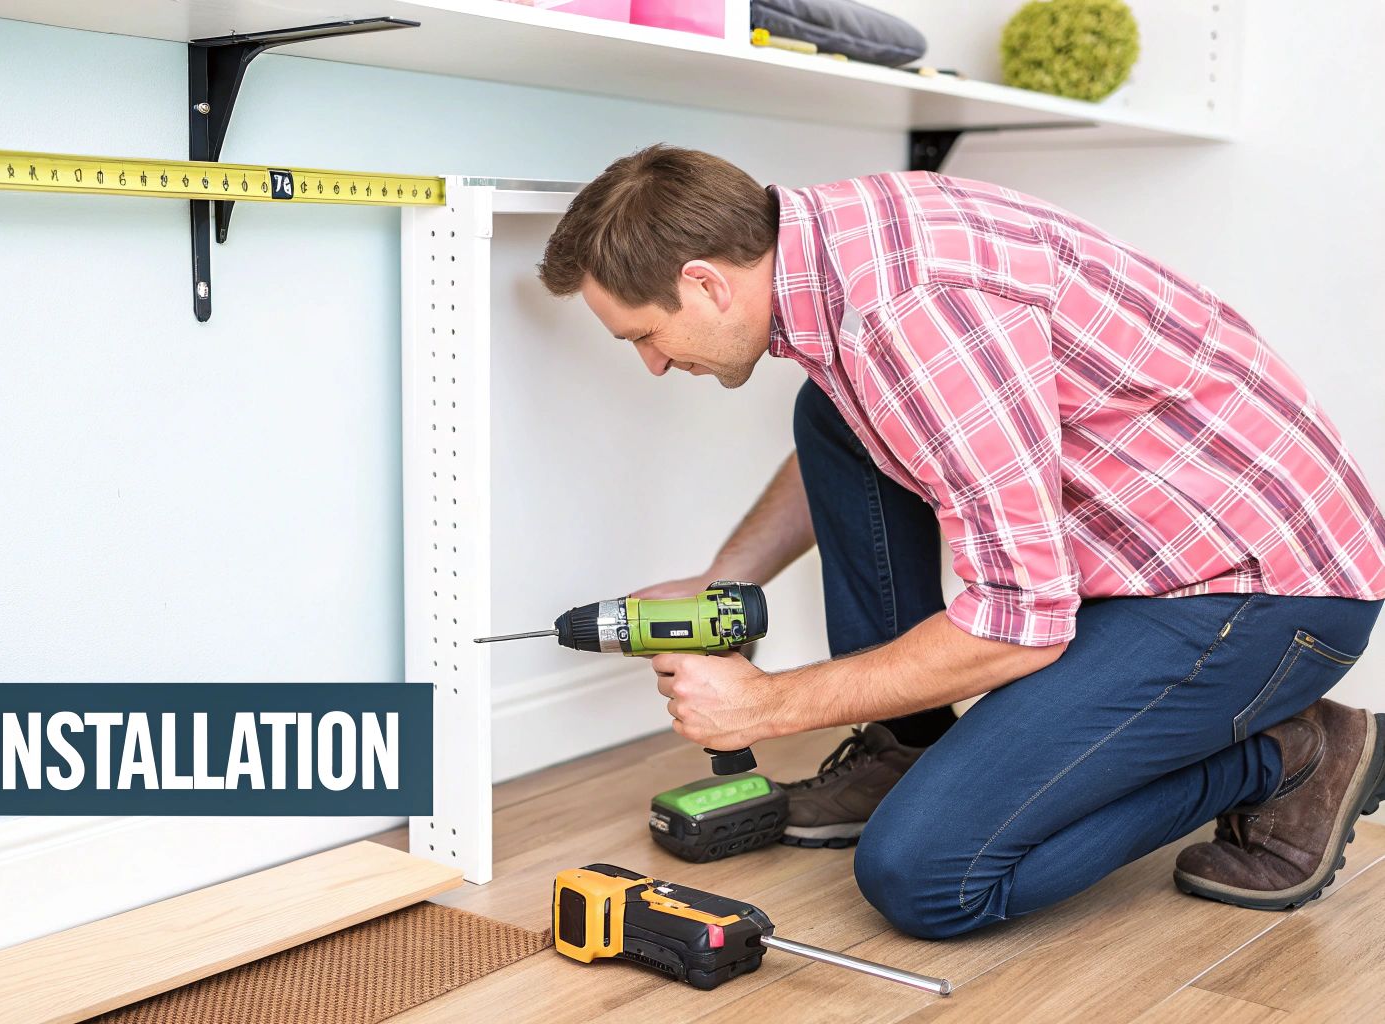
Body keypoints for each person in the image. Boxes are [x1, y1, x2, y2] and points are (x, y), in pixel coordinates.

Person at [534, 144, 1385, 938]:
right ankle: (906, 748)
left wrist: (767, 703)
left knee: (926, 874)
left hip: (1260, 591)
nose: (650, 362)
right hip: (1156, 548)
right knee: (831, 414)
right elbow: (879, 423)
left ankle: (1290, 753)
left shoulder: (909, 311)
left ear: (706, 282)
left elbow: (1021, 621)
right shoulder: (831, 246)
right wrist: (726, 576)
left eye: (643, 334)